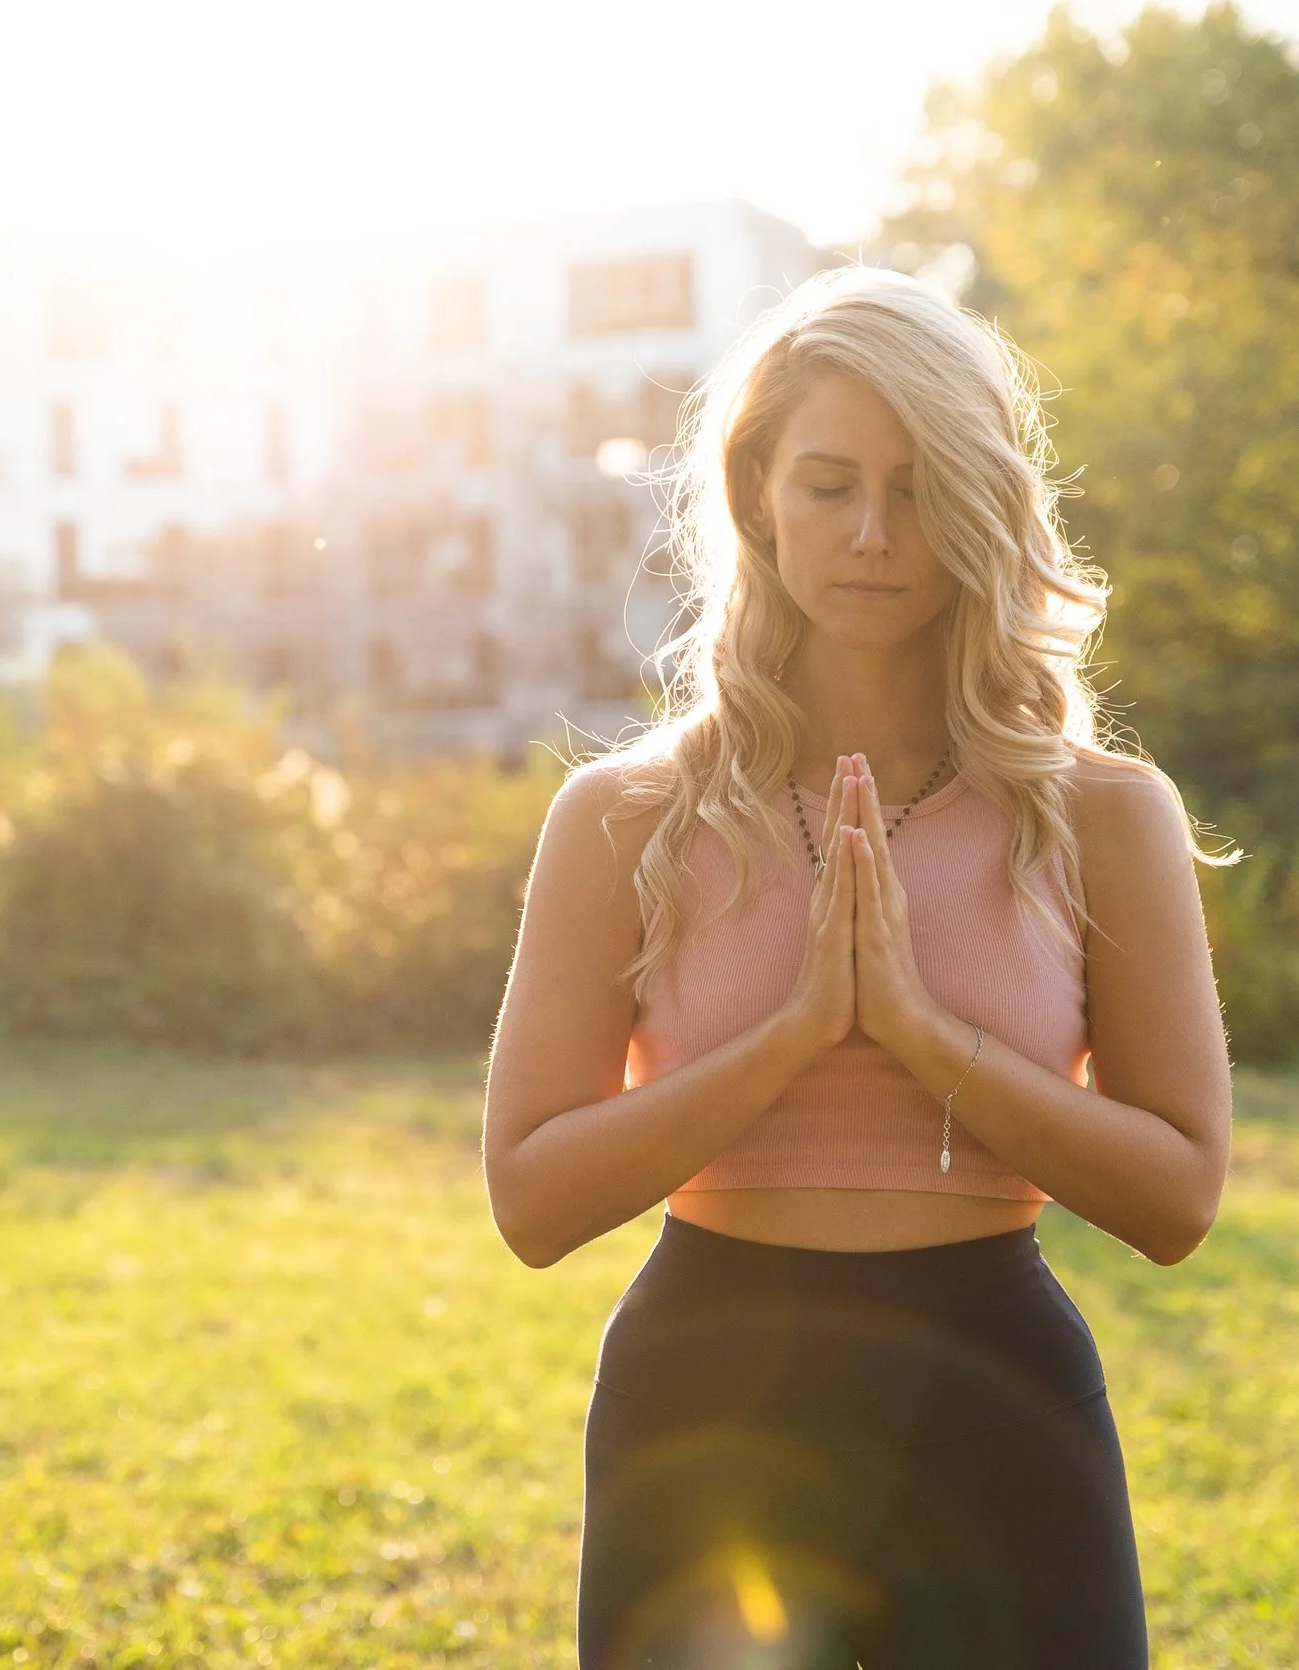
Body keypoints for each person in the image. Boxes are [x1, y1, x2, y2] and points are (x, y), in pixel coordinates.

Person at [481, 265, 1233, 1669]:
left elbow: (1179, 1193)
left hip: (998, 1396)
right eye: (829, 484)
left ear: (981, 503)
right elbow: (530, 1197)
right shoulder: (625, 816)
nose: (876, 533)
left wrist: (924, 1032)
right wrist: (790, 1038)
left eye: (918, 486)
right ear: (758, 488)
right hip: (712, 1400)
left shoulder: (1104, 814)